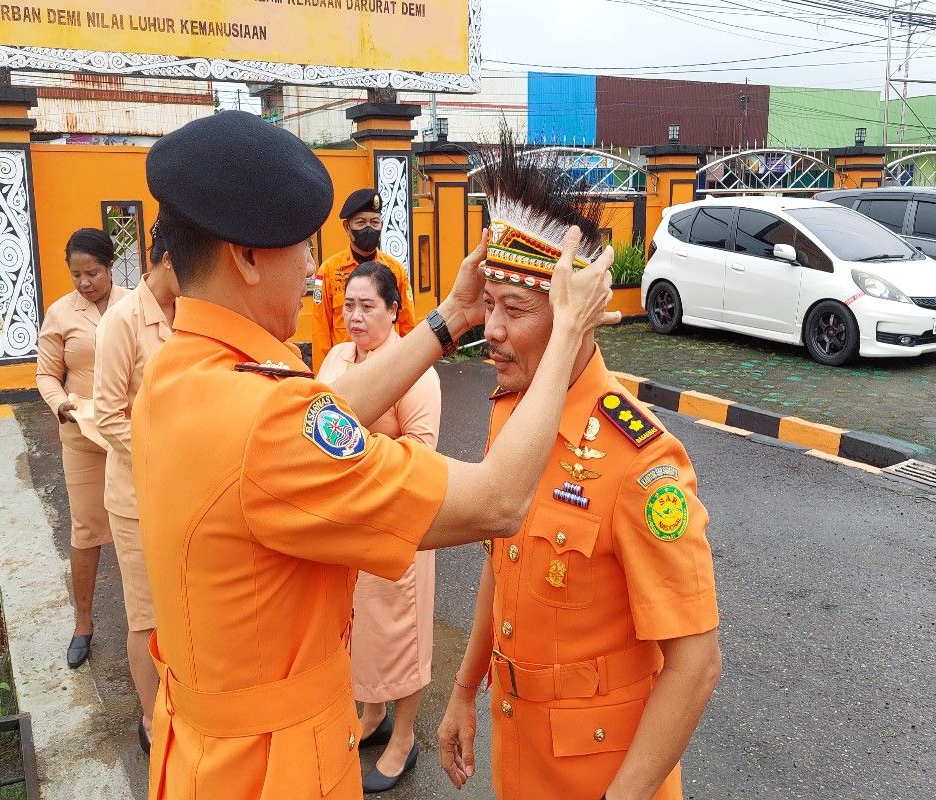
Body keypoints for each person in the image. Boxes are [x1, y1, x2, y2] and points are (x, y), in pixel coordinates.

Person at [132, 110, 619, 800]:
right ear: (244, 255)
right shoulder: (263, 424)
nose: (310, 271)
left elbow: (315, 414)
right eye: (299, 250)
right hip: (270, 772)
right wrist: (567, 328)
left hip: (200, 755)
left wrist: (450, 319)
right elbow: (500, 500)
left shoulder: (177, 371)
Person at [437, 133, 722, 800]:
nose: (493, 330)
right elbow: (497, 561)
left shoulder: (642, 461)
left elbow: (697, 663)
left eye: (515, 309)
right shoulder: (513, 412)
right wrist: (462, 689)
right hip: (520, 753)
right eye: (490, 305)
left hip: (603, 776)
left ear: (577, 321)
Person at [315, 262, 440, 793]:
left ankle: (404, 737)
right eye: (349, 306)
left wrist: (354, 451)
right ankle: (371, 715)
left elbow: (423, 448)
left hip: (395, 520)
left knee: (399, 632)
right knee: (358, 628)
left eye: (368, 307)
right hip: (345, 525)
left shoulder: (415, 369)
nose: (356, 317)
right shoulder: (336, 358)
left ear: (394, 310)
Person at [92, 231, 178, 753]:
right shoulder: (121, 323)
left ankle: (177, 704)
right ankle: (151, 720)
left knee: (179, 608)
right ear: (167, 258)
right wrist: (163, 456)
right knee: (146, 614)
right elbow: (107, 415)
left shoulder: (186, 312)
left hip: (180, 493)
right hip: (137, 497)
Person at [35, 227, 130, 669]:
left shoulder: (136, 305)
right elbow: (46, 375)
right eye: (76, 275)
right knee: (86, 531)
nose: (84, 283)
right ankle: (83, 623)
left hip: (130, 437)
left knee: (143, 531)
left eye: (92, 272)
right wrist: (62, 405)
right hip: (83, 438)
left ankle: (147, 624)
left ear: (110, 266)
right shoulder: (60, 313)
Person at [310, 189, 416, 371]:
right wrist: (323, 379)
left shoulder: (395, 270)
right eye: (361, 222)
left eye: (375, 222)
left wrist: (411, 368)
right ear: (347, 227)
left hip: (388, 367)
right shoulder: (328, 271)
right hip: (345, 369)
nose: (369, 228)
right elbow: (320, 331)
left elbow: (408, 326)